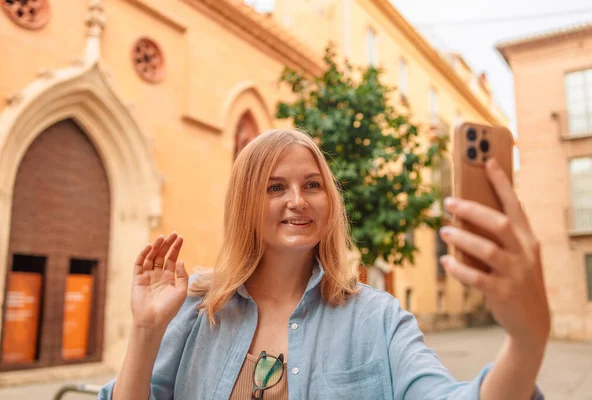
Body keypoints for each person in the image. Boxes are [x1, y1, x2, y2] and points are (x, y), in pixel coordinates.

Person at [98, 129, 549, 400]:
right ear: (245, 205)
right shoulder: (195, 306)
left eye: (311, 184)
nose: (298, 201)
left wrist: (527, 342)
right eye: (275, 187)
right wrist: (145, 330)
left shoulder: (378, 318)